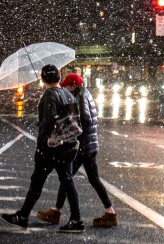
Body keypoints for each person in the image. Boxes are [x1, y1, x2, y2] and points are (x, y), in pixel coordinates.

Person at [1, 64, 84, 233]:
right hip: (69, 144)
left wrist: (42, 142)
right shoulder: (68, 94)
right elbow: (76, 119)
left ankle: (23, 217)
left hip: (52, 147)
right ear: (59, 78)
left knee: (37, 182)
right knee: (67, 181)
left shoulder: (49, 96)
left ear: (43, 78)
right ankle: (76, 219)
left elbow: (47, 123)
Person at [37, 73, 117, 228]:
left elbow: (85, 120)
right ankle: (110, 212)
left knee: (66, 176)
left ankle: (58, 212)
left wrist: (73, 130)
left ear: (73, 85)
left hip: (83, 146)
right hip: (90, 145)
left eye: (67, 86)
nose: (65, 89)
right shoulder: (85, 93)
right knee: (91, 178)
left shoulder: (80, 96)